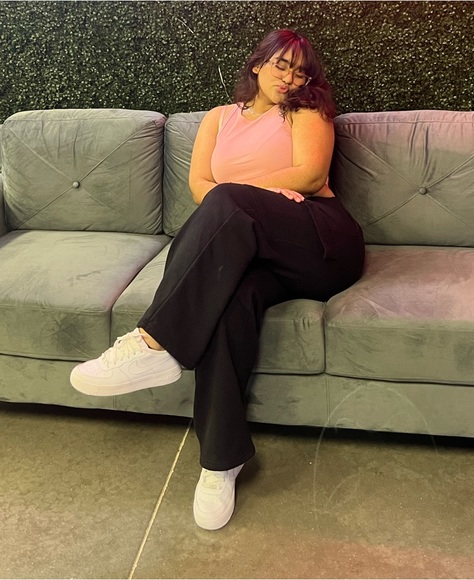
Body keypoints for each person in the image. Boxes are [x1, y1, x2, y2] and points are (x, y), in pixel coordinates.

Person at [70, 29, 365, 530]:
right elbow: (198, 187)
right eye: (281, 65)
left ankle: (154, 342)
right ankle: (220, 461)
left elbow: (310, 177)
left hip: (320, 240)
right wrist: (249, 200)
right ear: (257, 65)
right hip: (257, 251)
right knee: (228, 306)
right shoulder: (217, 118)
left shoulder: (306, 111)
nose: (290, 79)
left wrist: (246, 198)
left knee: (228, 199)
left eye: (300, 72)